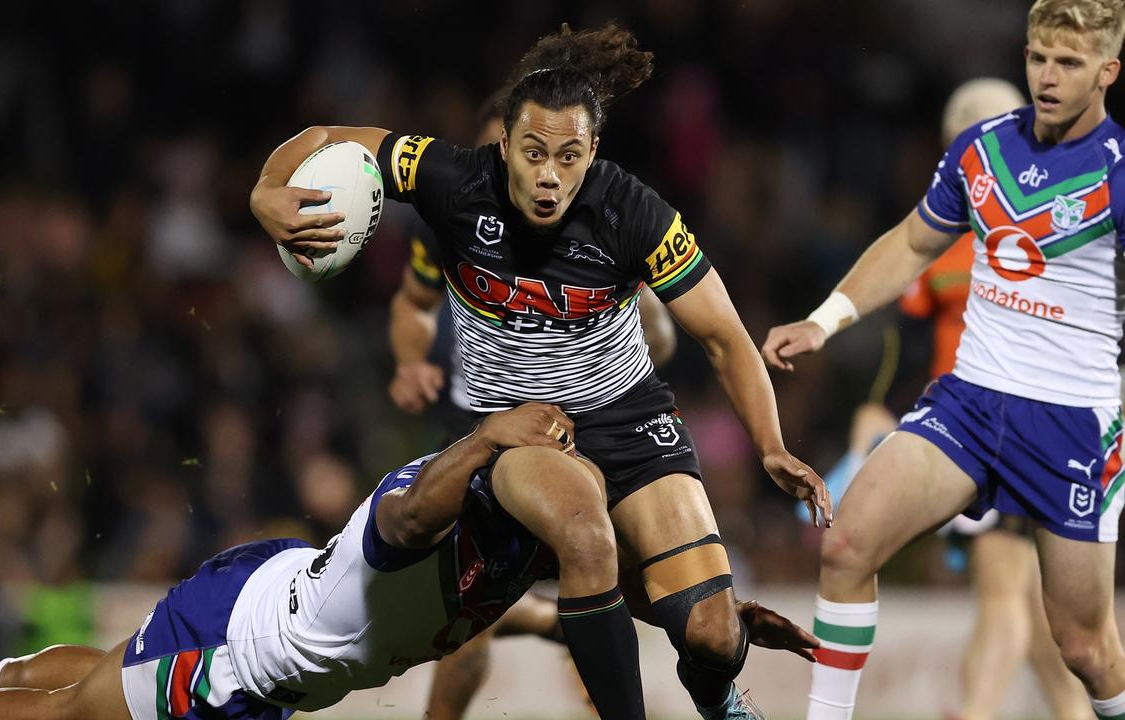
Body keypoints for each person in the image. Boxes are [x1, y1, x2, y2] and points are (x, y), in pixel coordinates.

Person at [252, 23, 831, 720]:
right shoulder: (455, 182)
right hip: (522, 432)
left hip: (630, 418)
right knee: (585, 537)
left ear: (593, 152)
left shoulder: (634, 212)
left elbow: (726, 338)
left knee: (711, 632)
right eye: (531, 153)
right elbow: (326, 137)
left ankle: (718, 698)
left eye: (567, 155)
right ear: (504, 145)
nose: (548, 175)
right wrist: (266, 189)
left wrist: (770, 446)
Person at [0, 404, 816, 720]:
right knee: (82, 715)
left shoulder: (525, 538)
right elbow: (406, 520)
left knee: (109, 674)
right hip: (244, 661)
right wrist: (486, 438)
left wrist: (676, 614)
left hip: (263, 592)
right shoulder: (433, 508)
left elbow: (577, 595)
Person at [762, 2, 1125, 718]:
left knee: (1082, 646)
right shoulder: (981, 149)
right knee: (846, 546)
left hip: (1072, 427)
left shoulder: (1118, 171)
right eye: (1037, 58)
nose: (1048, 77)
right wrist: (825, 319)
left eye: (1070, 64)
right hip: (970, 402)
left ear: (1108, 73)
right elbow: (912, 244)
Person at [388, 93, 677, 720]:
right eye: (518, 156)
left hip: (575, 436)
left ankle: (582, 635)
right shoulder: (456, 218)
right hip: (477, 430)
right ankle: (555, 622)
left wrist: (620, 361)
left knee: (576, 570)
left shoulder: (599, 236)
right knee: (457, 608)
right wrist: (411, 361)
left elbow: (663, 335)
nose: (533, 179)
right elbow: (413, 304)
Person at [906, 77, 1091, 720]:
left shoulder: (946, 241)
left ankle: (976, 712)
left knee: (1007, 595)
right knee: (1049, 622)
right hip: (1033, 430)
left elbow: (899, 355)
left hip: (1010, 429)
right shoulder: (1057, 220)